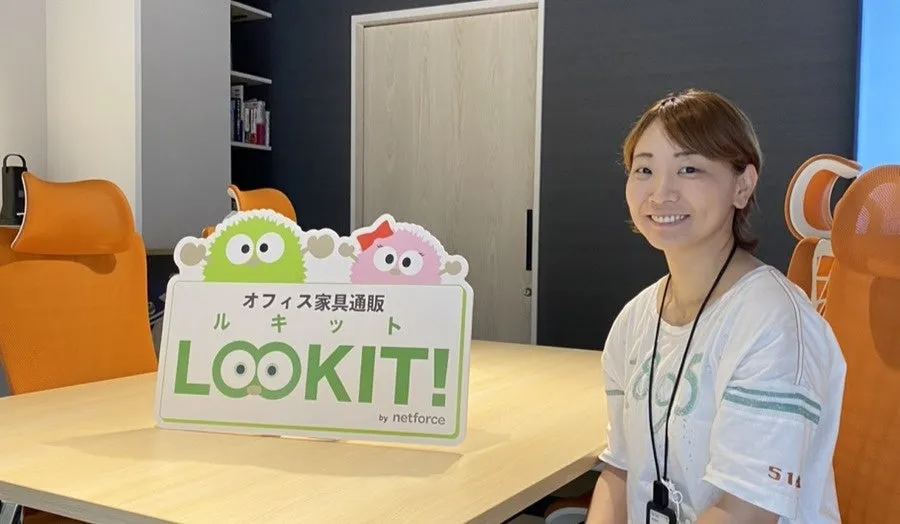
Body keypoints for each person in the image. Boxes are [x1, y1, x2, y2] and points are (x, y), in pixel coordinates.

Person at [585, 89, 846, 524]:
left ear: (742, 186)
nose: (661, 193)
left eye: (689, 169)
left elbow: (744, 513)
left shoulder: (774, 323)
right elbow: (620, 469)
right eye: (644, 169)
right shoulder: (635, 319)